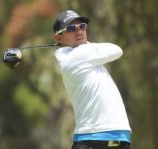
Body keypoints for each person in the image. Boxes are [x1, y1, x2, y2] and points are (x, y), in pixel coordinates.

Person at [53, 10, 131, 149]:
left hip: (113, 138)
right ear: (58, 38)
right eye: (71, 28)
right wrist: (86, 44)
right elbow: (117, 50)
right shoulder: (78, 56)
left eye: (82, 26)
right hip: (94, 139)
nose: (79, 32)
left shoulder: (82, 55)